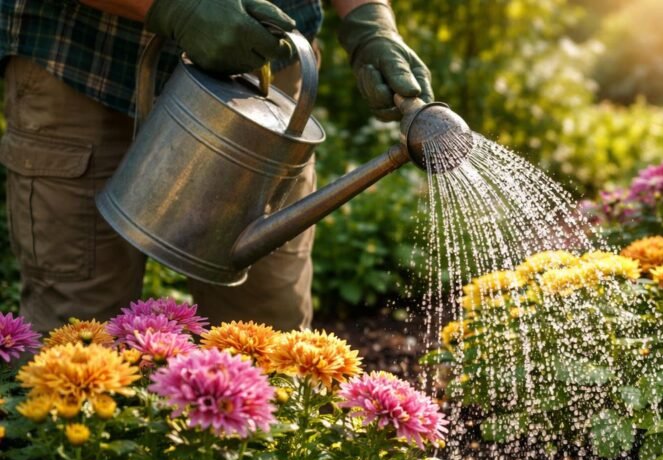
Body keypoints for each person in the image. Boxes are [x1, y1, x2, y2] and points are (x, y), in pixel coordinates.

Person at [0, 0, 432, 332]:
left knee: (266, 338)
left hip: (264, 82)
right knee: (77, 339)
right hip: (88, 65)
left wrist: (370, 22)